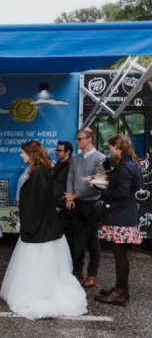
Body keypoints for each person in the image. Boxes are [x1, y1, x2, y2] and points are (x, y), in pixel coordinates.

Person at [0, 140, 87, 319]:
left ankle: (36, 292)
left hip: (39, 227)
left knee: (37, 262)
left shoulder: (39, 172)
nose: (20, 155)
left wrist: (30, 224)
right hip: (46, 225)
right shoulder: (42, 169)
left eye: (23, 152)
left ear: (31, 154)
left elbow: (37, 202)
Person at [93, 135, 143, 306]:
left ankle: (120, 292)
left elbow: (121, 193)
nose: (110, 151)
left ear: (119, 148)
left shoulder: (124, 167)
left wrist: (101, 189)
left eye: (111, 148)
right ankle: (121, 289)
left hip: (120, 217)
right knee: (120, 255)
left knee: (120, 256)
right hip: (124, 215)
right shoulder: (131, 164)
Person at [65, 128, 106, 289]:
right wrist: (69, 196)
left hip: (91, 205)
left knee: (92, 241)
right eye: (76, 139)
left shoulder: (100, 159)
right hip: (76, 203)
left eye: (80, 139)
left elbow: (98, 185)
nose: (77, 141)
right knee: (76, 238)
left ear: (89, 139)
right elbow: (70, 177)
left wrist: (75, 196)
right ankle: (77, 270)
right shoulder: (75, 159)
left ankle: (92, 274)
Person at [52, 140, 81, 281]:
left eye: (59, 150)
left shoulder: (71, 165)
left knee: (67, 240)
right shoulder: (58, 164)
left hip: (64, 208)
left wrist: (60, 204)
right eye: (56, 150)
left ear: (67, 152)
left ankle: (71, 269)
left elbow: (69, 187)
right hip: (55, 205)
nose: (56, 152)